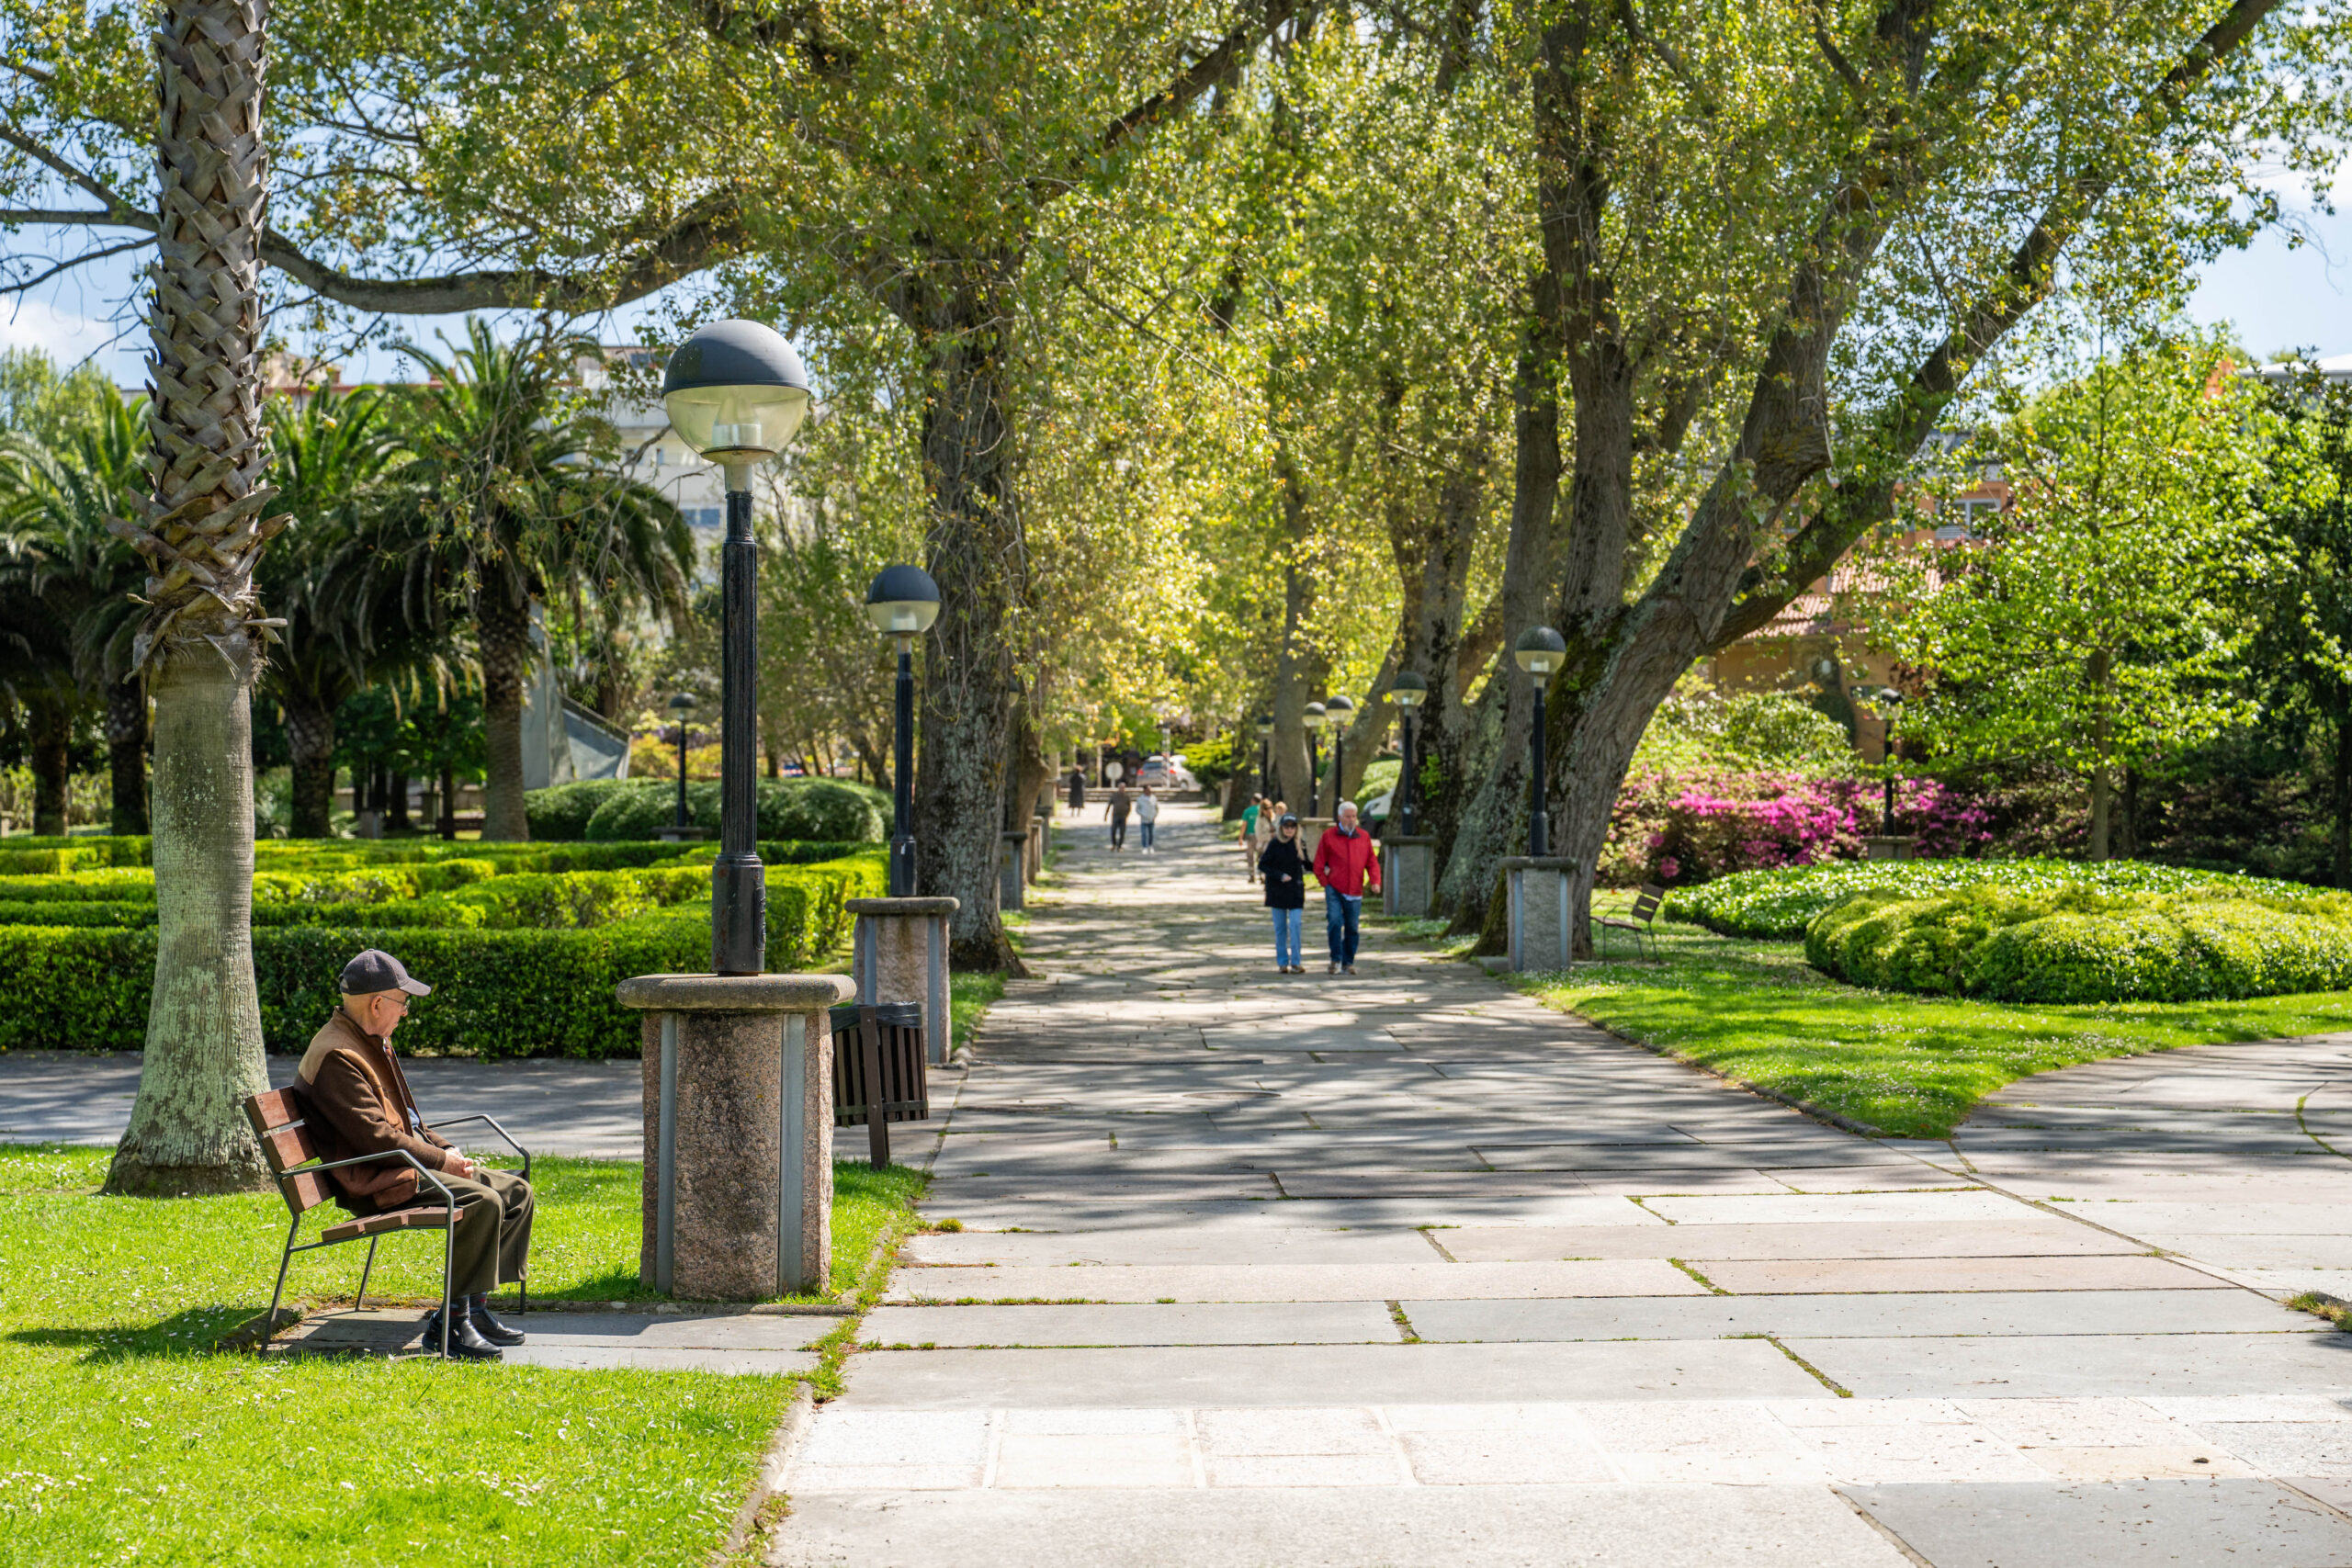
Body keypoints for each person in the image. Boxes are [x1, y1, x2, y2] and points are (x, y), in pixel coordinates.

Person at [296, 949, 534, 1361]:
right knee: (482, 1201)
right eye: (402, 1003)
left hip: (400, 1166)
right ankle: (451, 1326)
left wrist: (444, 1149)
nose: (405, 1013)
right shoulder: (339, 1054)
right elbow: (377, 1139)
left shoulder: (368, 1041)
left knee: (515, 1190)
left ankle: (473, 1309)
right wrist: (442, 1163)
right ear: (376, 1004)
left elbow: (407, 1121)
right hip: (374, 1178)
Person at [1312, 799, 1381, 976]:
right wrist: (1324, 882)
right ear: (1340, 818)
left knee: (1352, 928)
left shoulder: (1363, 837)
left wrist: (1375, 881)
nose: (1351, 820)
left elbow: (1372, 862)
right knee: (1334, 922)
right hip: (1334, 887)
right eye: (1348, 817)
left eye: (1354, 816)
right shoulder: (1329, 836)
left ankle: (1348, 962)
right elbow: (1318, 863)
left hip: (1355, 889)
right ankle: (1335, 958)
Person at [1258, 814, 1309, 973]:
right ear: (1281, 828)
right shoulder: (1275, 844)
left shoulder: (1300, 844)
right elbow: (1263, 865)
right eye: (1286, 826)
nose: (1289, 829)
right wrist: (1280, 875)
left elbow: (1307, 864)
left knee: (1295, 925)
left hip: (1295, 891)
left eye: (1292, 826)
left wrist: (1325, 868)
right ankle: (1282, 962)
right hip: (1277, 891)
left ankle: (1296, 961)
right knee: (1280, 929)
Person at [1239, 795, 1263, 882]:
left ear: (1253, 801)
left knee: (1250, 856)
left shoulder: (1247, 811)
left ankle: (1252, 875)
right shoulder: (1262, 811)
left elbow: (1244, 825)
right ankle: (1262, 874)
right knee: (1261, 855)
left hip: (1251, 835)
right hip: (1261, 836)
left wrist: (1240, 838)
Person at [1104, 780, 1132, 851]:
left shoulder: (1127, 796)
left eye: (1123, 787)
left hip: (1123, 816)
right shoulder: (1114, 796)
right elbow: (1109, 805)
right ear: (1118, 788)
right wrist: (1106, 815)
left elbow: (1129, 806)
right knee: (1113, 831)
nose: (1122, 789)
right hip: (1115, 815)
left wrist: (1127, 814)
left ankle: (1119, 846)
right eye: (1121, 787)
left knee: (1122, 832)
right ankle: (1114, 844)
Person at [1135, 784, 1159, 853]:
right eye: (1148, 790)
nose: (1150, 791)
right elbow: (1137, 809)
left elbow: (1156, 808)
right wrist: (1142, 814)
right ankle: (1144, 847)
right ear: (1145, 790)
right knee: (1144, 834)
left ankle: (1150, 846)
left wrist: (1155, 815)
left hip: (1151, 819)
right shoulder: (1140, 799)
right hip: (1144, 819)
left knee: (1151, 834)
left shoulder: (1154, 798)